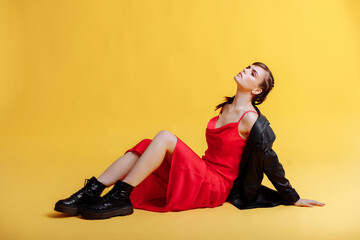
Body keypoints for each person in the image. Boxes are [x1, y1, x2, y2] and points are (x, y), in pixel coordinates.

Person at [54, 62, 325, 219]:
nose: (246, 70)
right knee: (149, 142)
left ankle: (119, 197)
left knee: (165, 137)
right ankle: (92, 190)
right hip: (204, 171)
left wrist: (292, 197)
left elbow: (269, 159)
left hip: (216, 186)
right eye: (248, 67)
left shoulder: (251, 119)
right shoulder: (226, 107)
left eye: (253, 73)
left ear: (256, 90)